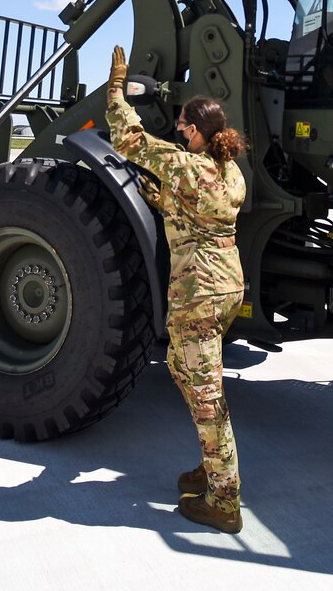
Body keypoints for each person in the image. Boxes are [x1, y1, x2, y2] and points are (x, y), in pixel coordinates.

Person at [104, 45, 249, 534]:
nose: (179, 133)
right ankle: (212, 469)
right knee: (185, 371)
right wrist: (159, 194)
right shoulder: (230, 172)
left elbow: (129, 138)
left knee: (205, 392)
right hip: (226, 285)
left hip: (199, 292)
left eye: (183, 128)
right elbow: (194, 205)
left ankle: (224, 500)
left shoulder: (187, 167)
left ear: (196, 131)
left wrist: (117, 89)